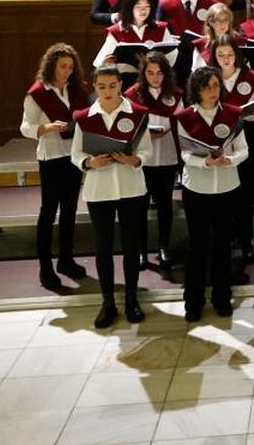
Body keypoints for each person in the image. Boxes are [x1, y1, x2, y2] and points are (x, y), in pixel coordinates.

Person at [71, 65, 152, 327]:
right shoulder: (84, 117)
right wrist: (89, 163)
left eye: (112, 85)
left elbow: (148, 150)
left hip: (131, 186)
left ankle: (131, 300)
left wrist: (135, 159)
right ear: (94, 87)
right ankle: (107, 302)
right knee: (103, 247)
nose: (107, 91)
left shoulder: (138, 114)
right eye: (101, 86)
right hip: (100, 189)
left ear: (120, 84)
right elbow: (76, 155)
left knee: (131, 246)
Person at [174, 66, 247, 321]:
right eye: (207, 87)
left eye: (216, 85)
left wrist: (230, 159)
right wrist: (205, 162)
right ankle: (193, 301)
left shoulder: (233, 113)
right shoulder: (185, 117)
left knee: (223, 245)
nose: (212, 91)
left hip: (227, 186)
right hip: (197, 187)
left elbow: (244, 149)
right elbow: (184, 154)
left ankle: (221, 297)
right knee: (197, 246)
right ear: (197, 89)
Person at [22, 42, 91, 290]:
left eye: (71, 67)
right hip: (51, 157)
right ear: (52, 65)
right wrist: (47, 128)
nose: (67, 72)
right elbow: (25, 127)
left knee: (70, 210)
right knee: (49, 212)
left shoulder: (75, 90)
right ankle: (45, 267)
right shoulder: (37, 93)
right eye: (63, 66)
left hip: (72, 156)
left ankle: (66, 260)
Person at [211, 34, 254, 265]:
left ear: (238, 55)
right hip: (217, 141)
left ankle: (246, 241)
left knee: (244, 195)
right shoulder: (208, 77)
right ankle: (225, 239)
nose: (226, 59)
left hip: (246, 140)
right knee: (223, 196)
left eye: (230, 54)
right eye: (221, 55)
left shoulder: (251, 77)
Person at [125, 51, 182, 270]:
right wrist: (148, 133)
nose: (155, 77)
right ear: (143, 74)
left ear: (166, 74)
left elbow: (181, 121)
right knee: (140, 207)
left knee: (165, 205)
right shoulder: (134, 94)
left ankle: (163, 247)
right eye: (150, 73)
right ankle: (141, 252)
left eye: (159, 73)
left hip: (167, 156)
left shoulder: (175, 95)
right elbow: (128, 122)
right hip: (143, 158)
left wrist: (166, 130)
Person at [93, 0, 175, 87]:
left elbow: (172, 60)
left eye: (147, 6)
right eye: (138, 6)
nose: (143, 10)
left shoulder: (160, 28)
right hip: (125, 83)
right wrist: (106, 64)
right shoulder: (117, 30)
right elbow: (99, 63)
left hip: (156, 83)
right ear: (129, 7)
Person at [192, 3, 243, 70]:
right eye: (219, 20)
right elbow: (197, 71)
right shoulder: (200, 44)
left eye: (225, 20)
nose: (223, 24)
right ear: (211, 22)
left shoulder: (239, 41)